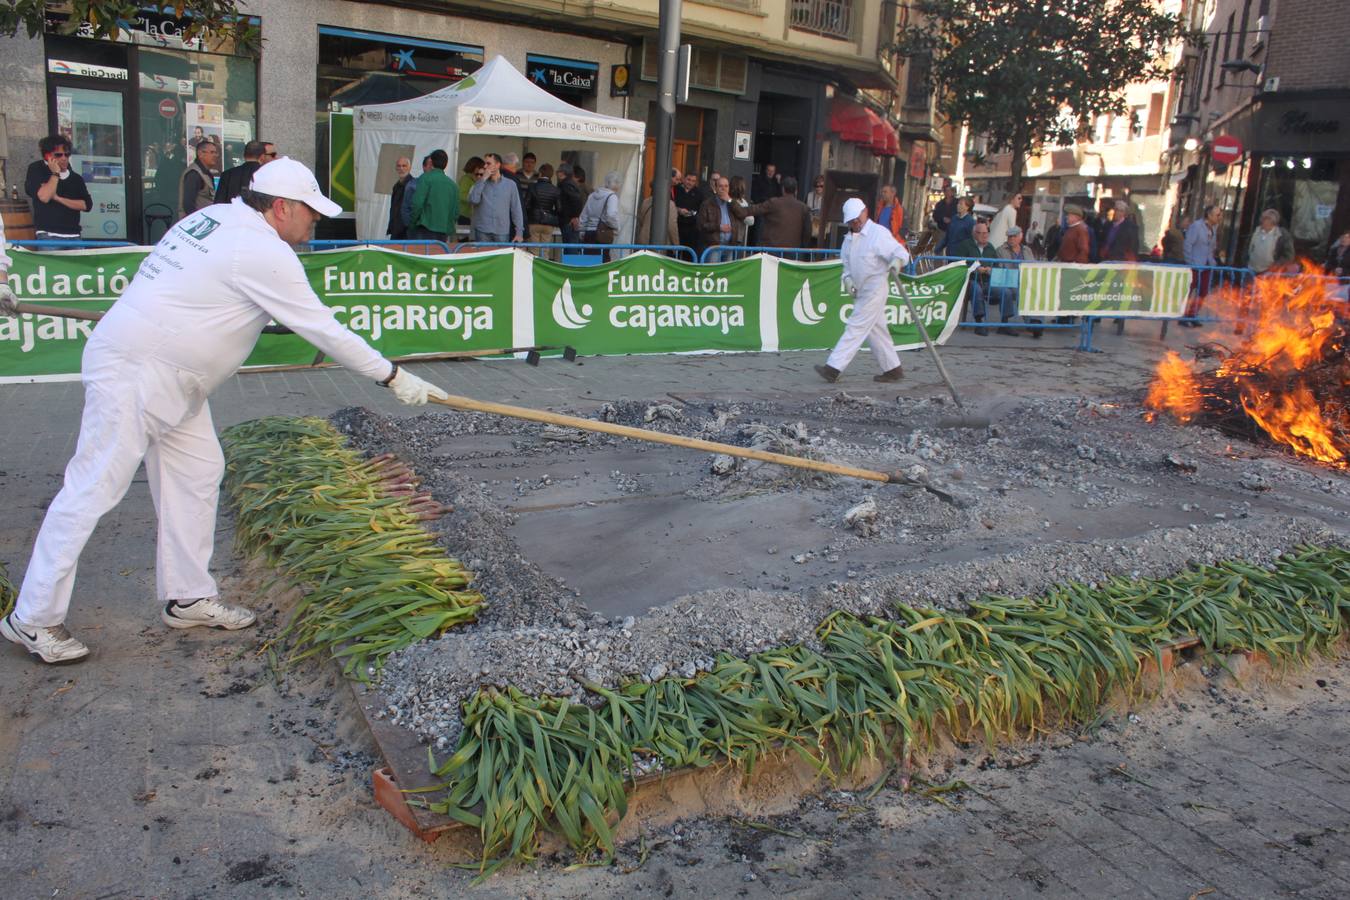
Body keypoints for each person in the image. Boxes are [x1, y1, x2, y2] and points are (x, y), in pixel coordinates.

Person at [0, 158, 448, 666]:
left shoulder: (210, 219)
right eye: (311, 213)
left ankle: (187, 596)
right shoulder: (260, 249)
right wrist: (393, 376)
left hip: (173, 377)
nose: (314, 222)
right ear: (281, 208)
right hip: (139, 372)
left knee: (198, 472)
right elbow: (325, 330)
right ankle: (31, 619)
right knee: (92, 487)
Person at [814, 197, 910, 384]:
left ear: (865, 212)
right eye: (852, 221)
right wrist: (848, 280)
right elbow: (847, 267)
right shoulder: (848, 241)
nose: (855, 224)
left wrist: (897, 262)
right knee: (876, 331)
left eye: (857, 220)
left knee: (855, 327)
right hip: (861, 291)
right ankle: (893, 369)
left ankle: (833, 367)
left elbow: (901, 253)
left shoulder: (878, 233)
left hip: (875, 288)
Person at [25, 135, 93, 239]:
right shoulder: (37, 169)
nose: (64, 158)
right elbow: (44, 197)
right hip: (48, 234)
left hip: (73, 235)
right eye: (58, 155)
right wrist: (55, 174)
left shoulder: (75, 178)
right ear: (47, 156)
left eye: (67, 155)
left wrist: (57, 198)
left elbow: (86, 205)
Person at [729, 175, 812, 249]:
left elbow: (747, 211)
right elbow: (807, 232)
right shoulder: (804, 208)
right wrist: (803, 248)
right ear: (796, 190)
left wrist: (729, 200)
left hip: (772, 250)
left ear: (783, 189)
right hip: (793, 251)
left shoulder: (774, 203)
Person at [953, 221, 1000, 335]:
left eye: (986, 233)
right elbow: (958, 263)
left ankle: (1005, 323)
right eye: (981, 233)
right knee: (976, 289)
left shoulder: (990, 247)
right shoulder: (965, 245)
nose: (984, 236)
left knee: (1006, 292)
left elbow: (997, 265)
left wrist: (990, 269)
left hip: (987, 281)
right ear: (974, 233)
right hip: (970, 280)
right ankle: (979, 321)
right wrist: (974, 269)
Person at [467, 153, 524, 243]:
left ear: (498, 165)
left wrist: (519, 233)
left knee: (501, 257)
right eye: (484, 164)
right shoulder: (480, 183)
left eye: (488, 163)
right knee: (483, 257)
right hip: (483, 230)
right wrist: (483, 179)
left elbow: (516, 209)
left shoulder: (510, 184)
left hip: (501, 231)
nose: (485, 166)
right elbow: (473, 200)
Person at [996, 225, 1039, 337]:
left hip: (1026, 280)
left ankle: (1035, 321)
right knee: (1020, 291)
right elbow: (1000, 268)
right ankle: (1030, 323)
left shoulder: (1027, 250)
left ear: (1021, 237)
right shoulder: (1001, 250)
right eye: (1009, 237)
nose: (1011, 239)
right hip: (1008, 280)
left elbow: (1033, 266)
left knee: (1035, 290)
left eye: (1014, 236)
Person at [1181, 203, 1221, 325]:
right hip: (1195, 264)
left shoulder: (1213, 229)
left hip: (1207, 265)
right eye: (1217, 215)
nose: (1219, 217)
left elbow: (1211, 247)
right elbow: (1188, 244)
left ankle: (1193, 314)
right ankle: (1182, 315)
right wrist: (1190, 262)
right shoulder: (1197, 226)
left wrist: (1212, 262)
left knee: (1203, 291)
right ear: (1209, 215)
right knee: (1189, 290)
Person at [407, 149, 458, 243]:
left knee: (421, 256)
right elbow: (455, 212)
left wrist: (412, 223)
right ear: (446, 163)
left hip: (424, 227)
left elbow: (417, 204)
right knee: (438, 256)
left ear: (431, 162)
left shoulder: (425, 178)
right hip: (443, 230)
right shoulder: (453, 185)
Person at [579, 170, 622, 254]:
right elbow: (611, 215)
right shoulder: (612, 197)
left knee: (589, 262)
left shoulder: (592, 195)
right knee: (603, 263)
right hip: (603, 234)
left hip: (588, 233)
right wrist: (616, 227)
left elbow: (584, 216)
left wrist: (582, 231)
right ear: (616, 184)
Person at [215, 140, 268, 205]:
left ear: (244, 155)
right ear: (262, 157)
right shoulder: (268, 175)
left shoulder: (227, 174)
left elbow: (219, 203)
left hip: (231, 213)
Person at [179, 139, 220, 221]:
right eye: (212, 152)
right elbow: (188, 205)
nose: (215, 155)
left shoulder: (205, 172)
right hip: (196, 225)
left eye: (216, 152)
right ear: (200, 154)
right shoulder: (194, 174)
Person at [697, 176, 735, 261]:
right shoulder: (707, 204)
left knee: (728, 273)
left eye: (726, 186)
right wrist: (719, 227)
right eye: (720, 186)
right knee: (712, 273)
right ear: (715, 188)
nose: (723, 188)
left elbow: (742, 213)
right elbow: (701, 225)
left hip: (729, 246)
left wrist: (730, 201)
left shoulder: (732, 203)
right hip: (713, 246)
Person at [525, 163, 560, 255]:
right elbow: (559, 208)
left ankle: (534, 268)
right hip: (548, 223)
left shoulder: (532, 187)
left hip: (533, 222)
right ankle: (544, 267)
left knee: (534, 250)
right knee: (545, 250)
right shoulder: (555, 190)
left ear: (540, 173)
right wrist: (550, 213)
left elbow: (526, 205)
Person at [1246, 209, 1294, 275]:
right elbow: (1247, 248)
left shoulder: (1282, 235)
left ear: (1273, 222)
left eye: (1267, 220)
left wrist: (1276, 267)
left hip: (1270, 273)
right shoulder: (1255, 232)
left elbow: (1289, 256)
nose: (1264, 222)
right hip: (1251, 270)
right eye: (1263, 219)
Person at [637, 178, 678, 248]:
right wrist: (676, 244)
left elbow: (641, 220)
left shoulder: (645, 202)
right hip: (662, 244)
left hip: (643, 241)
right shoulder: (670, 204)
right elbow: (672, 226)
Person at [674, 172, 706, 255]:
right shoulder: (675, 189)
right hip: (676, 226)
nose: (690, 183)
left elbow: (702, 211)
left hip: (692, 228)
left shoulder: (699, 194)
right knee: (674, 252)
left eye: (693, 181)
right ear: (684, 179)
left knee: (689, 255)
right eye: (688, 179)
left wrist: (693, 214)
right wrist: (679, 210)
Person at [556, 163, 586, 246]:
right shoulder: (568, 183)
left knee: (570, 246)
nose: (557, 173)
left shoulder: (566, 184)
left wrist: (574, 216)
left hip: (569, 221)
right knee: (569, 245)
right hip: (568, 220)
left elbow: (576, 200)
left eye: (558, 171)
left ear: (562, 173)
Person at [386, 156, 413, 239]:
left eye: (404, 166)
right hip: (396, 230)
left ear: (409, 167)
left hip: (407, 232)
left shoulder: (413, 185)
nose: (401, 168)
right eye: (399, 166)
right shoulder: (396, 186)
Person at [458, 156, 484, 228]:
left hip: (473, 215)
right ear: (474, 167)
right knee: (464, 237)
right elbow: (461, 195)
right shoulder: (466, 179)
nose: (482, 169)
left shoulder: (478, 178)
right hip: (464, 214)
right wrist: (474, 199)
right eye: (480, 167)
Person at [930, 183, 958, 247]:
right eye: (946, 191)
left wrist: (951, 220)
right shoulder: (939, 204)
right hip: (942, 230)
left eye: (949, 191)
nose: (948, 193)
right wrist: (943, 218)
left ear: (953, 192)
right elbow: (935, 215)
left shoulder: (957, 203)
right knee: (939, 248)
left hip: (954, 231)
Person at [806, 176, 825, 246]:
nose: (819, 188)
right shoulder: (809, 195)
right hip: (812, 227)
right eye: (817, 186)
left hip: (823, 229)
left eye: (821, 186)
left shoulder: (827, 197)